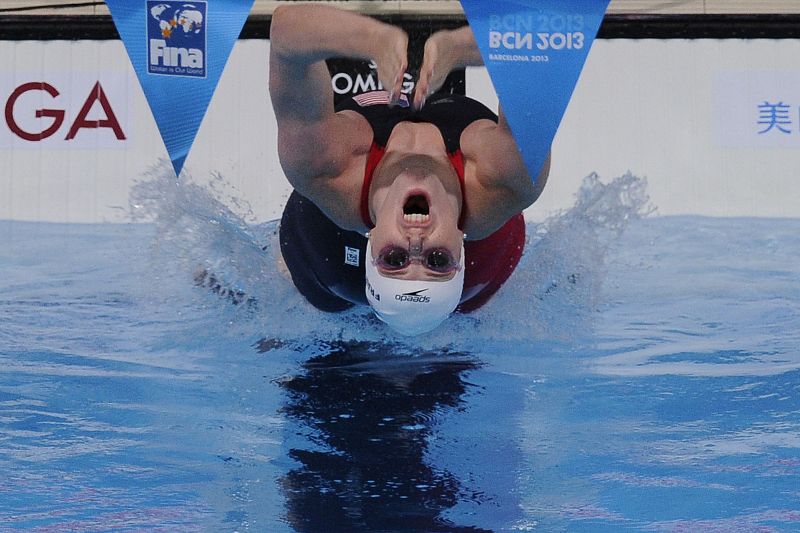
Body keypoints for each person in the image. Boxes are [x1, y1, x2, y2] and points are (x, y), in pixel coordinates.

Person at [269, 5, 549, 336]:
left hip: (325, 261)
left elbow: (286, 32)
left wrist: (372, 40)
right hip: (485, 268)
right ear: (459, 248)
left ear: (371, 244)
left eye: (395, 258)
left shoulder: (324, 168)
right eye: (437, 261)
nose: (416, 242)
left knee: (290, 288)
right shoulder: (510, 180)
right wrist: (455, 48)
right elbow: (540, 40)